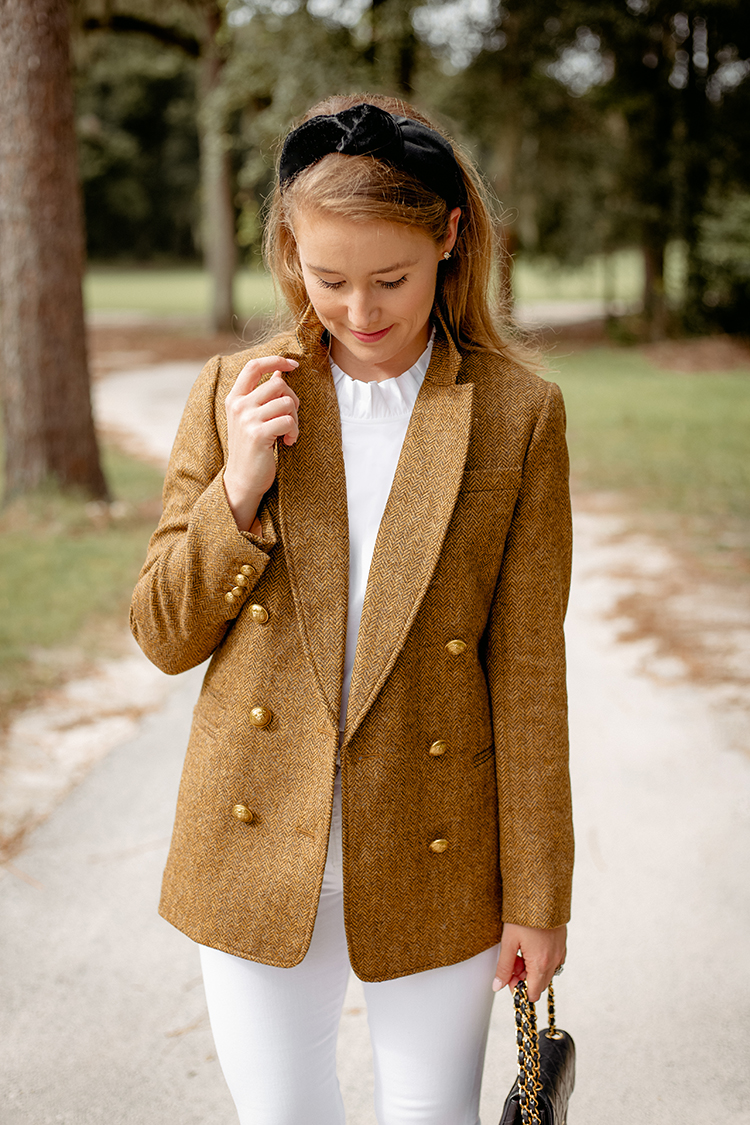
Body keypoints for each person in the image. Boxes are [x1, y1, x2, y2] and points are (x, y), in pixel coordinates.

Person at [130, 93, 574, 1125]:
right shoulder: (234, 391)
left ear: (450, 239)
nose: (362, 311)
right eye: (329, 280)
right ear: (291, 250)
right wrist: (236, 488)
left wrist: (538, 897)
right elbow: (161, 634)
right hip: (250, 845)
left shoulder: (519, 415)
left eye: (393, 280)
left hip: (438, 853)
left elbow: (528, 673)